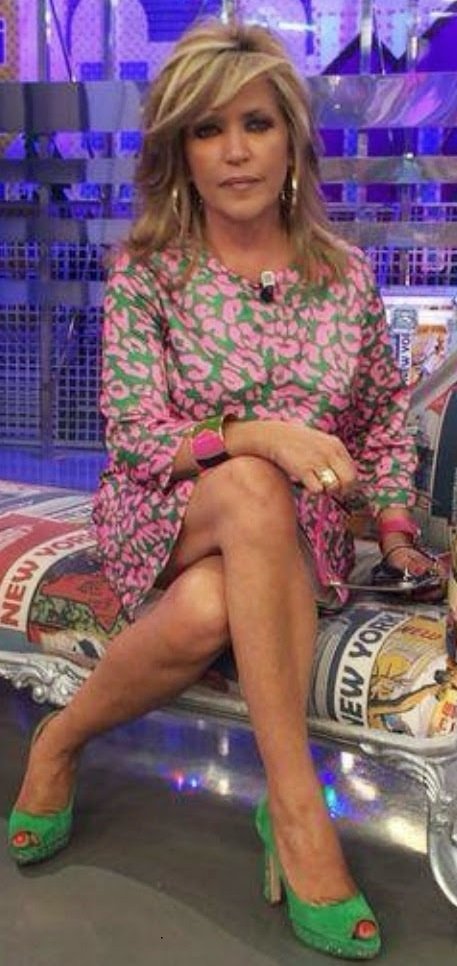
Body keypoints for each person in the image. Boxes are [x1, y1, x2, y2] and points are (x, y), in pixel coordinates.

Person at [8, 18, 446, 960]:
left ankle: (58, 742)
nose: (235, 151)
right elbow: (135, 437)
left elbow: (380, 420)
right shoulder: (148, 273)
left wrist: (395, 527)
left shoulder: (346, 278)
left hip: (295, 537)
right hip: (160, 511)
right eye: (208, 130)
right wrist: (257, 436)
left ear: (290, 139)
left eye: (256, 123)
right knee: (249, 480)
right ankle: (295, 809)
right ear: (181, 150)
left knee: (213, 602)